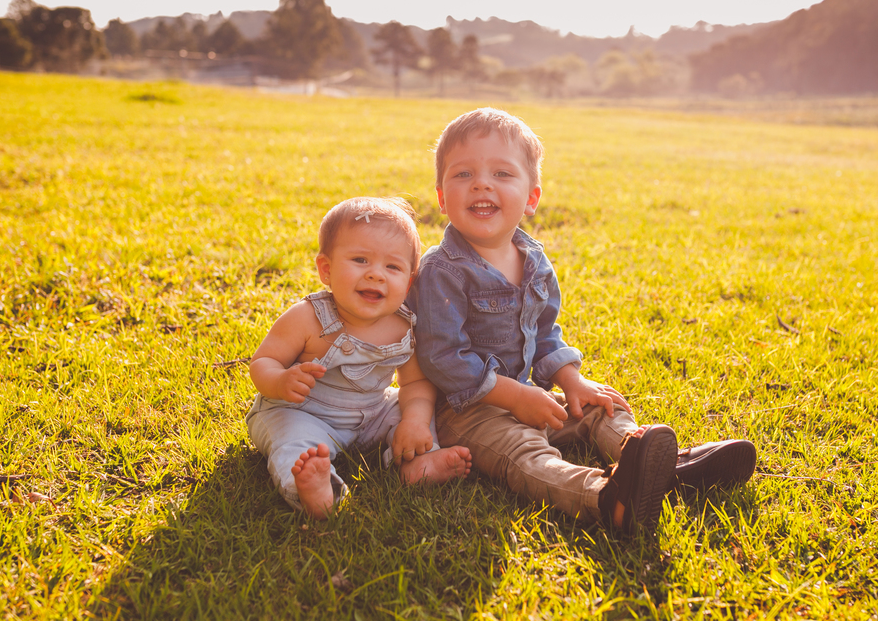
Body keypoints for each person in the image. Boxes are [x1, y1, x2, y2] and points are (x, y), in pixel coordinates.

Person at [408, 108, 756, 533]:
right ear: (442, 197)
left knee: (599, 409)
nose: (481, 183)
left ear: (531, 197)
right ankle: (606, 498)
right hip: (470, 414)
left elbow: (544, 333)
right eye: (463, 175)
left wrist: (572, 382)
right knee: (527, 456)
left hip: (528, 397)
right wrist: (515, 398)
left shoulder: (533, 260)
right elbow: (441, 357)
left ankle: (665, 466)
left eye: (502, 173)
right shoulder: (442, 269)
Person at [246, 197, 472, 519]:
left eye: (392, 267)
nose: (376, 275)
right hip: (302, 411)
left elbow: (416, 383)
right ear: (326, 269)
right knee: (293, 440)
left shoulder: (404, 325)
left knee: (408, 410)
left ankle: (417, 462)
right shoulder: (308, 318)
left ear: (408, 282)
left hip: (371, 411)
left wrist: (414, 421)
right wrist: (280, 381)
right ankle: (315, 489)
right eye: (360, 260)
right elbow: (262, 363)